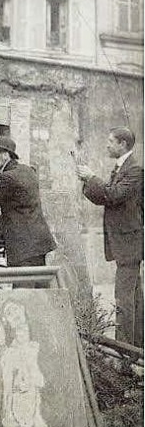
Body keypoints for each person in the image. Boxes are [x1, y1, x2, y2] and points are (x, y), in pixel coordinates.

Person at [75, 126, 144, 347]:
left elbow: (113, 195)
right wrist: (87, 181)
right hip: (126, 243)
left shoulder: (135, 170)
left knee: (123, 298)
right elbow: (104, 197)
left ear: (123, 144)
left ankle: (123, 350)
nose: (107, 145)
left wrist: (91, 177)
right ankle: (136, 349)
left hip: (129, 244)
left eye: (110, 141)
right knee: (134, 297)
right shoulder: (122, 167)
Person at [0, 136, 56, 266]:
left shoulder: (8, 177)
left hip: (23, 247)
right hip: (38, 243)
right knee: (38, 278)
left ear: (5, 155)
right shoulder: (27, 170)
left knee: (22, 279)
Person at [0, 299, 54, 427]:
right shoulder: (9, 354)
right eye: (9, 313)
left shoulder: (40, 344)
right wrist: (7, 409)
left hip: (43, 396)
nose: (14, 314)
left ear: (23, 309)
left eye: (15, 309)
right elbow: (7, 386)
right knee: (27, 426)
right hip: (22, 400)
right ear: (6, 322)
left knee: (41, 425)